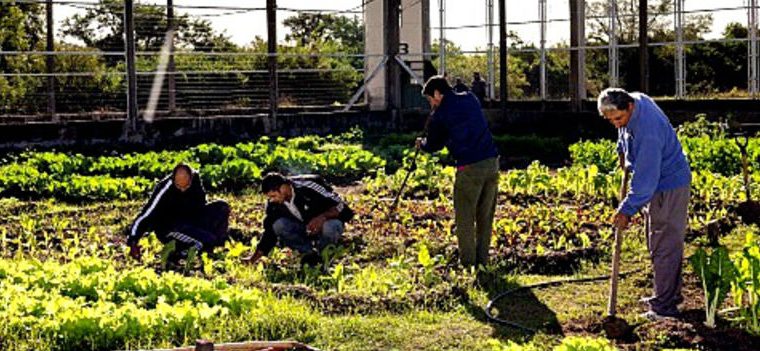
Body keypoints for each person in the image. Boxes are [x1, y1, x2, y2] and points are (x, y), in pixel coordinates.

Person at [597, 87, 691, 321]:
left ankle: (664, 307)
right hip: (659, 182)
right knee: (658, 241)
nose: (616, 124)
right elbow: (625, 132)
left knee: (664, 245)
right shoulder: (636, 101)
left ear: (629, 107)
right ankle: (667, 295)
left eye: (618, 118)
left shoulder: (648, 132)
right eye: (610, 121)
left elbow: (646, 180)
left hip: (666, 185)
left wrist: (627, 210)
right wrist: (622, 152)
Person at [416, 75, 500, 267]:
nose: (431, 103)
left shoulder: (441, 113)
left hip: (470, 167)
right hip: (492, 161)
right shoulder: (470, 98)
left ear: (437, 93)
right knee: (485, 217)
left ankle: (469, 265)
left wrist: (422, 144)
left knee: (465, 218)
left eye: (430, 99)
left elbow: (435, 144)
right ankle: (483, 262)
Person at [244, 173, 354, 266]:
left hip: (325, 224)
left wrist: (322, 217)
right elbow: (269, 233)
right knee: (278, 225)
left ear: (283, 188)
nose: (272, 200)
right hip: (303, 229)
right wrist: (252, 260)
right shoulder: (273, 205)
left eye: (274, 196)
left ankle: (325, 256)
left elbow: (341, 206)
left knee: (330, 226)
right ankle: (309, 255)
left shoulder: (308, 187)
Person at [126, 163, 230, 261]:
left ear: (191, 178)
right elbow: (146, 214)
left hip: (189, 221)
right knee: (206, 241)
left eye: (186, 187)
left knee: (222, 207)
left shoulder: (196, 181)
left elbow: (201, 205)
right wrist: (133, 241)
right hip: (170, 228)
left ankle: (214, 244)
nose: (182, 190)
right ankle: (182, 252)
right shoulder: (164, 188)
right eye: (178, 186)